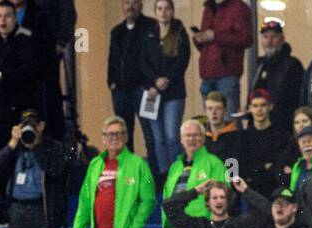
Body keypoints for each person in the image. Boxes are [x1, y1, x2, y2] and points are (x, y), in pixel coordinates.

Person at [0, 0, 49, 160]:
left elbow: (30, 70)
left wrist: (1, 76)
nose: (2, 20)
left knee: (23, 155)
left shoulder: (25, 38)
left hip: (19, 110)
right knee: (3, 157)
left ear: (15, 18)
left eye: (7, 16)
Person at [160, 119, 227, 228]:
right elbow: (168, 197)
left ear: (203, 138)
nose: (191, 139)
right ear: (181, 140)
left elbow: (224, 194)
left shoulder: (214, 163)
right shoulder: (175, 167)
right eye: (187, 136)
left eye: (196, 135)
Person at [139, 0, 190, 175]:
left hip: (174, 93)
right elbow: (143, 62)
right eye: (159, 9)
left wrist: (166, 79)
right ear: (155, 12)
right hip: (152, 92)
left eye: (167, 8)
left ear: (172, 11)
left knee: (171, 136)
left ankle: (178, 173)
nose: (163, 12)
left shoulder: (180, 33)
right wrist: (155, 81)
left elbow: (183, 60)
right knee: (158, 138)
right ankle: (163, 175)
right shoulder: (149, 34)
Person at [107, 0, 155, 161]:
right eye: (127, 2)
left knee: (151, 135)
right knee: (123, 136)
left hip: (146, 90)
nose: (130, 6)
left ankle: (156, 176)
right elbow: (112, 59)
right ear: (122, 6)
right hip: (121, 91)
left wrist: (151, 83)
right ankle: (127, 173)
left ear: (141, 5)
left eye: (135, 2)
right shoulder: (116, 31)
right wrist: (111, 82)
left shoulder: (151, 27)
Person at [194, 0, 253, 112]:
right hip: (207, 74)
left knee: (229, 122)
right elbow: (205, 45)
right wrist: (199, 39)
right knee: (211, 123)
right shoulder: (208, 8)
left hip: (227, 74)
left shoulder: (239, 7)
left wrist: (215, 36)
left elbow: (246, 39)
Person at [248, 18, 301, 135]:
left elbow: (295, 100)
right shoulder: (260, 65)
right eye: (265, 37)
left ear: (282, 39)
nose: (269, 41)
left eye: (274, 37)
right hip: (259, 128)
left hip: (282, 128)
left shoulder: (292, 65)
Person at [237, 89, 289, 198]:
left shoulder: (281, 134)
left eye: (263, 105)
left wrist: (257, 169)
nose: (259, 110)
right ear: (250, 109)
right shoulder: (244, 137)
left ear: (270, 106)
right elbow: (241, 169)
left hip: (274, 191)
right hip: (251, 192)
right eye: (255, 106)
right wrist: (263, 166)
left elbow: (278, 166)